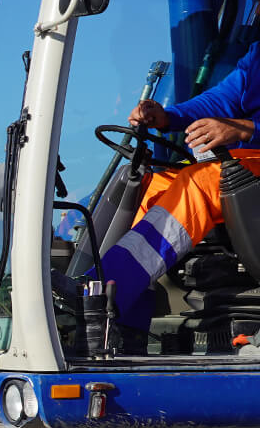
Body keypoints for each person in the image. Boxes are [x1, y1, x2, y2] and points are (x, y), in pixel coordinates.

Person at [98, 41, 260, 330]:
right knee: (154, 186)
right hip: (248, 160)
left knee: (199, 183)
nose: (258, 12)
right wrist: (168, 117)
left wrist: (248, 129)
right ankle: (124, 325)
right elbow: (221, 99)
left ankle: (102, 300)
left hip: (252, 157)